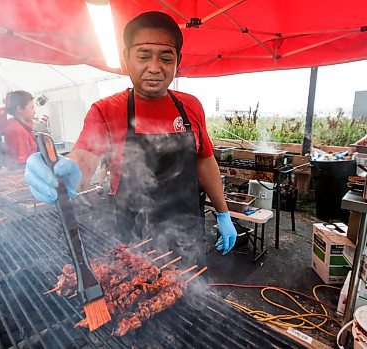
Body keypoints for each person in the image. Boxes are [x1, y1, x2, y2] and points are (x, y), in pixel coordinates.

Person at [24, 11, 237, 266]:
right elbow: (84, 159)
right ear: (126, 58)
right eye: (144, 56)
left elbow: (204, 161)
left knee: (192, 295)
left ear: (177, 61)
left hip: (187, 231)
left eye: (166, 58)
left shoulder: (190, 106)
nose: (155, 67)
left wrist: (224, 213)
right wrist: (63, 172)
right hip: (137, 234)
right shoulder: (106, 110)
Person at [3, 90, 37, 170]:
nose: (34, 112)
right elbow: (21, 165)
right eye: (32, 108)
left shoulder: (20, 126)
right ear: (20, 109)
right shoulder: (17, 130)